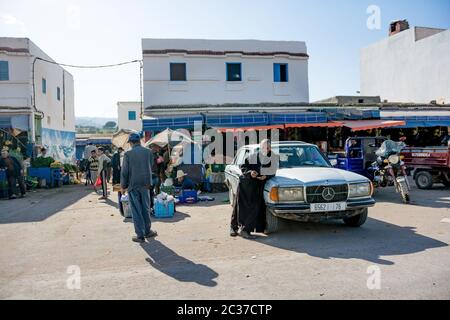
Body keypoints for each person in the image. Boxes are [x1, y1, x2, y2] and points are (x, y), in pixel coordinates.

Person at [230, 139, 278, 239]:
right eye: (264, 147)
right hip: (246, 183)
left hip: (259, 185)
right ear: (260, 147)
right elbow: (243, 168)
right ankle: (235, 228)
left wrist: (266, 176)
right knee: (240, 206)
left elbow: (273, 171)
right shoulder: (252, 156)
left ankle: (245, 229)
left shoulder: (272, 157)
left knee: (254, 207)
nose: (266, 149)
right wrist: (250, 173)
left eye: (268, 148)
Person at [121, 133, 157, 243]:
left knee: (136, 210)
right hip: (146, 184)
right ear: (140, 141)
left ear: (131, 143)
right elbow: (150, 166)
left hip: (134, 185)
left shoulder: (128, 154)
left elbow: (125, 172)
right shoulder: (148, 152)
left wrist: (123, 186)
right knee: (146, 208)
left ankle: (140, 235)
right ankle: (147, 231)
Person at [112, 147, 124, 215]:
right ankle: (121, 209)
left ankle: (122, 209)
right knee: (120, 192)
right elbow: (115, 164)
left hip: (121, 177)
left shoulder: (120, 154)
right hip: (118, 176)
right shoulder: (116, 155)